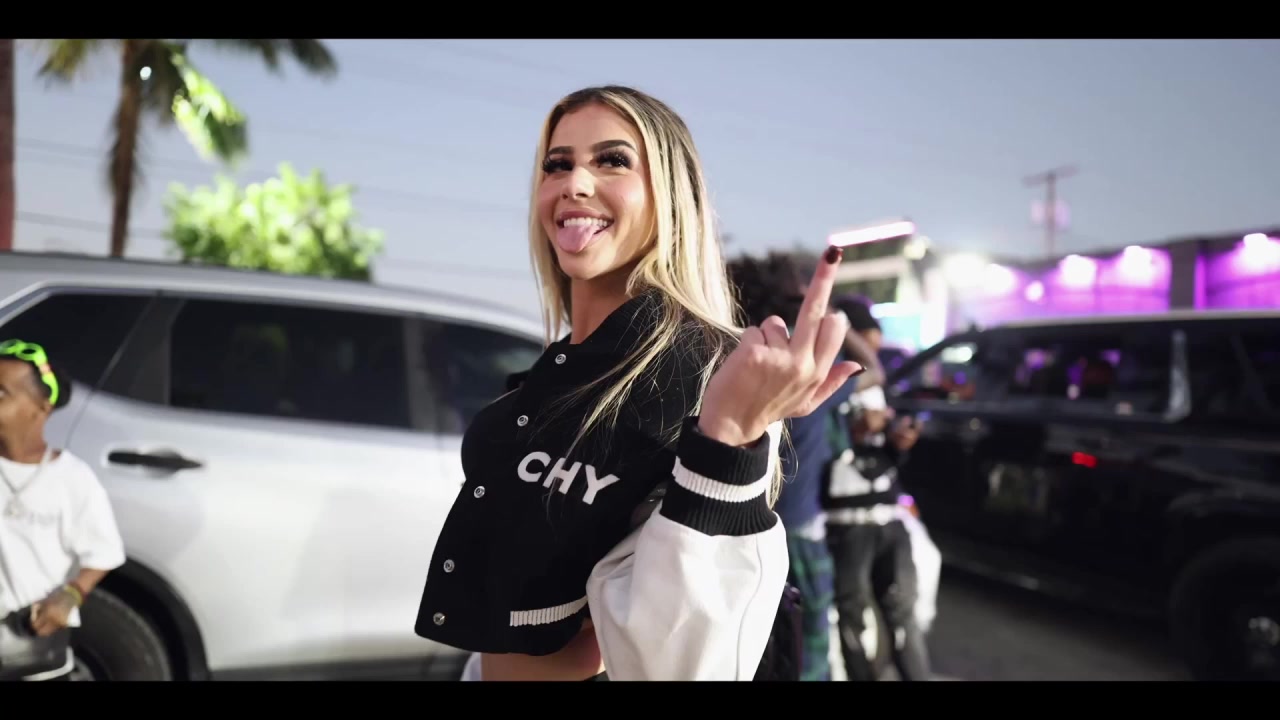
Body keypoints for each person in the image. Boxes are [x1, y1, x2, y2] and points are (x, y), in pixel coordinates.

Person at [411, 85, 863, 681]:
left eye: (612, 160)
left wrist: (730, 437)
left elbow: (683, 660)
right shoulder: (562, 368)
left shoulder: (699, 369)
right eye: (557, 165)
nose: (574, 183)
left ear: (670, 195)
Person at [0, 339, 127, 682]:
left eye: (1, 394)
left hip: (33, 651)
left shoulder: (71, 479)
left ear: (40, 408)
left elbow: (104, 552)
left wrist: (71, 595)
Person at [821, 297, 932, 681]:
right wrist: (852, 431)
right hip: (845, 520)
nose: (873, 351)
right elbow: (814, 441)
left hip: (888, 515)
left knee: (903, 615)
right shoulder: (825, 373)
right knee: (851, 615)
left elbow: (884, 446)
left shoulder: (876, 384)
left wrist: (897, 441)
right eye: (866, 341)